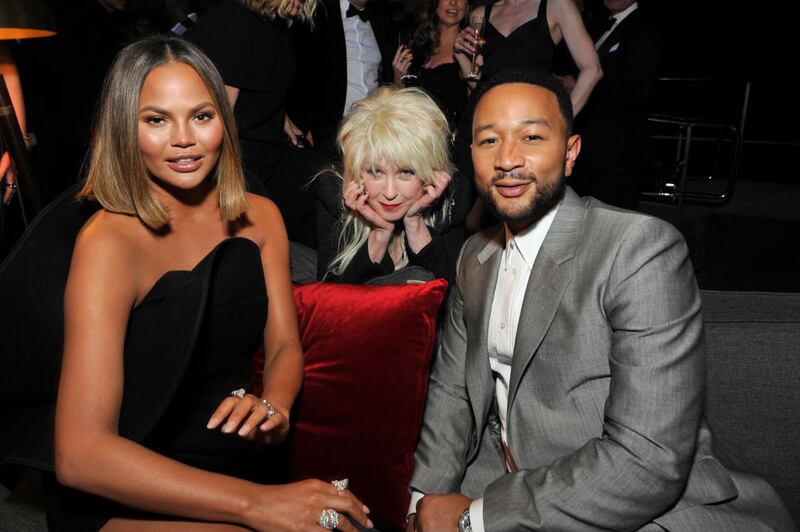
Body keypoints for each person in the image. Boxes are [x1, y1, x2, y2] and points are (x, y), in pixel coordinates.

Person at [0, 35, 371, 531]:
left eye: (201, 116)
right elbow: (82, 454)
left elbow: (283, 343)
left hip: (235, 458)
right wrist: (256, 506)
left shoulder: (261, 218)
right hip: (126, 479)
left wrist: (275, 405)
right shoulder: (109, 242)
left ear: (224, 120)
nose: (184, 139)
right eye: (156, 119)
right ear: (125, 130)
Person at [406, 67, 796, 531]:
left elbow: (647, 459)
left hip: (632, 503)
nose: (508, 159)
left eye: (532, 137)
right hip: (502, 475)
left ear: (570, 154)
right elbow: (451, 393)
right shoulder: (475, 256)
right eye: (489, 141)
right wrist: (421, 501)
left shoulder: (638, 248)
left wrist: (475, 518)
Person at [315, 86, 463, 285]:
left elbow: (448, 297)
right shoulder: (333, 193)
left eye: (406, 172)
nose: (390, 193)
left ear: (429, 171)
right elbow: (330, 303)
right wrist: (379, 235)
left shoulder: (450, 198)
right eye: (376, 172)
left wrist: (415, 222)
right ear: (358, 171)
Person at [567, 0, 664, 208]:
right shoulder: (596, 24)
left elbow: (637, 89)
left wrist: (580, 84)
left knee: (609, 218)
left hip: (618, 150)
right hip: (588, 145)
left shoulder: (645, 28)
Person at [288, 0, 396, 159]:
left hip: (373, 133)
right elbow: (298, 70)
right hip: (330, 135)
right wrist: (305, 127)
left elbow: (383, 76)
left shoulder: (380, 21)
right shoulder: (317, 12)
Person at [453, 0, 601, 115]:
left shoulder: (556, 6)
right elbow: (480, 84)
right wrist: (461, 55)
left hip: (527, 121)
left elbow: (593, 70)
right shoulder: (480, 14)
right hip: (484, 119)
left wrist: (560, 119)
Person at [392, 0, 469, 132]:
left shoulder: (471, 49)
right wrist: (398, 77)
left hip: (451, 142)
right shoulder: (417, 44)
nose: (453, 2)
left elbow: (478, 98)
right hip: (414, 136)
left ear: (467, 6)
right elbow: (401, 101)